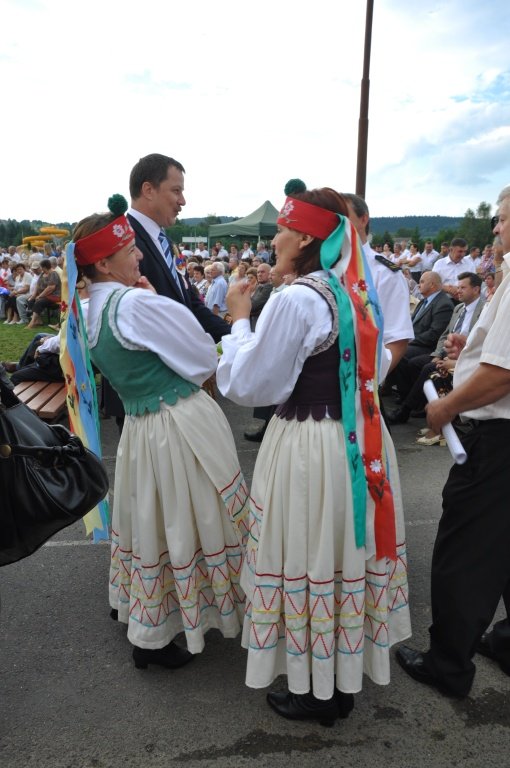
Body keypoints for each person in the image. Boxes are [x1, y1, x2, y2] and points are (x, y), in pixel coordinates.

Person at [217, 180, 410, 725]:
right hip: (359, 439)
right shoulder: (353, 290)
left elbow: (254, 384)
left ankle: (317, 692)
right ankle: (337, 681)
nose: (274, 239)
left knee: (306, 553)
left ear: (302, 236)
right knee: (340, 554)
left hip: (310, 446)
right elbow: (377, 370)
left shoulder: (298, 298)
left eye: (281, 229)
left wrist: (238, 319)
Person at [71, 195, 249, 671]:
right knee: (197, 517)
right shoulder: (134, 305)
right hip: (180, 423)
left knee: (154, 521)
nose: (140, 256)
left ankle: (151, 624)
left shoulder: (89, 311)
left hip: (141, 429)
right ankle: (179, 623)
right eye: (130, 251)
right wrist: (151, 301)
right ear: (105, 262)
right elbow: (198, 356)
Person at [396, 184, 510, 698]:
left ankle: (447, 664)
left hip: (496, 440)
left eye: (503, 219)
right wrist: (471, 349)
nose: (495, 228)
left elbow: (503, 374)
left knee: (464, 552)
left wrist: (446, 405)